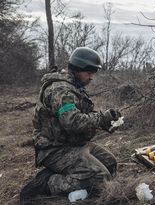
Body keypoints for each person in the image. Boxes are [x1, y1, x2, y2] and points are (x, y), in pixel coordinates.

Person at [20, 47, 122, 203]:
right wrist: (101, 119)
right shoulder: (61, 90)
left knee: (110, 164)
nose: (91, 77)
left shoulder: (75, 87)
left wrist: (107, 122)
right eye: (89, 73)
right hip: (54, 149)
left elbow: (85, 115)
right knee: (99, 178)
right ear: (78, 70)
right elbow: (73, 122)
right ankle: (48, 182)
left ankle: (68, 173)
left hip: (73, 144)